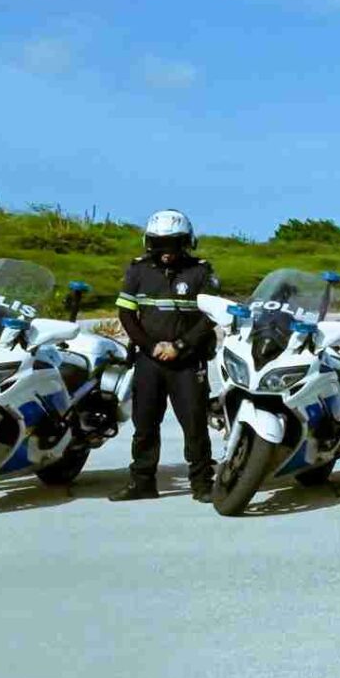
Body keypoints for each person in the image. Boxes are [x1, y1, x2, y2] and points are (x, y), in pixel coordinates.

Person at [113, 209, 221, 502]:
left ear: (186, 242)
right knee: (145, 425)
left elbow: (210, 317)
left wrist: (181, 346)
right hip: (149, 359)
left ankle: (202, 485)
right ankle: (142, 483)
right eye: (159, 244)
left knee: (195, 426)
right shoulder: (137, 270)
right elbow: (126, 313)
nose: (166, 252)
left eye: (173, 245)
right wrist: (150, 347)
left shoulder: (201, 271)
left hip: (187, 361)